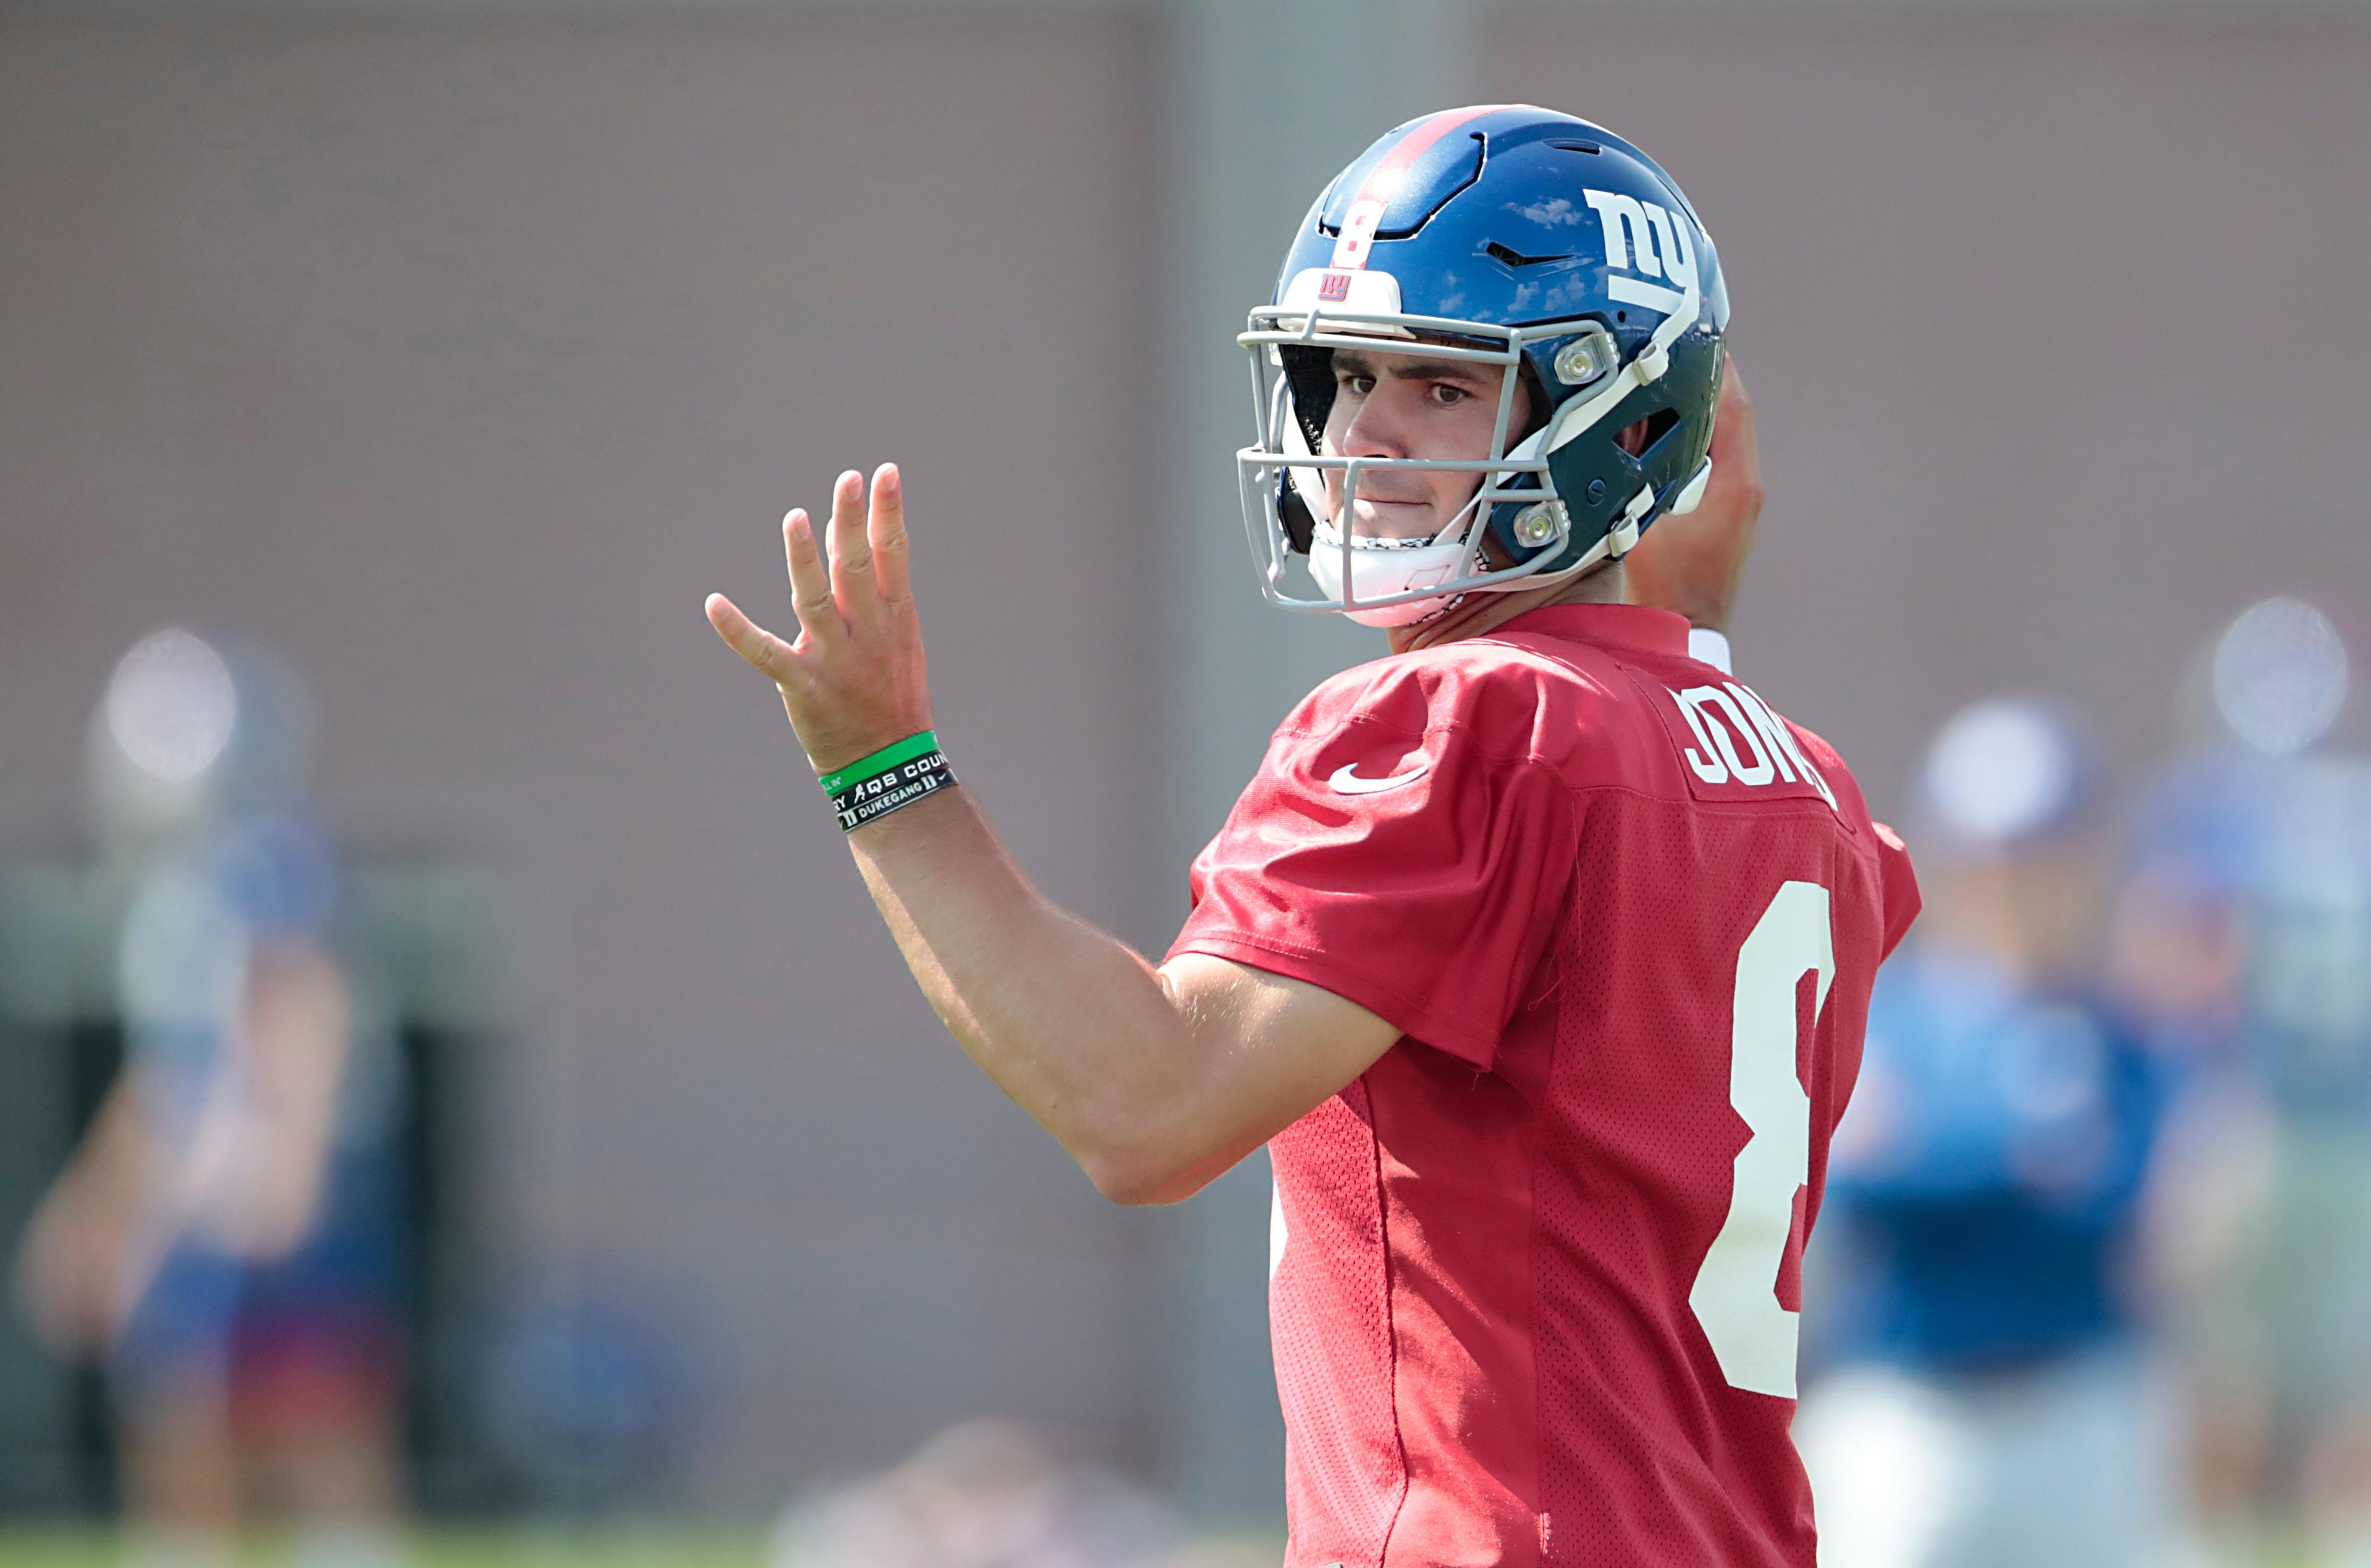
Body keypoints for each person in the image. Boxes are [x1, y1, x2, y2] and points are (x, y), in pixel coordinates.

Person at [706, 106, 1919, 1567]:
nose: (1364, 435)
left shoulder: (1462, 720)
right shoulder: (1811, 788)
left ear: (1623, 422)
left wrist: (881, 771)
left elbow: (1148, 1106)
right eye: (1345, 377)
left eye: (1442, 383)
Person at [16, 629, 408, 1568]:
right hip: (196, 1190)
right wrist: (97, 1205)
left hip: (260, 1182)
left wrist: (290, 1157)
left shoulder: (269, 861)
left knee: (313, 1417)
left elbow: (296, 1002)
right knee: (176, 1413)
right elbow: (166, 1074)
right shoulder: (169, 887)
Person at [1794, 698, 2179, 1568]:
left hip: (2074, 1402)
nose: (2014, 883)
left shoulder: (2122, 1032)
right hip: (1908, 1404)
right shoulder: (1886, 1013)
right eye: (1993, 859)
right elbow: (1863, 1186)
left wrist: (1944, 1152)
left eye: (2040, 856)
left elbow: (2117, 1204)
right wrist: (2019, 1156)